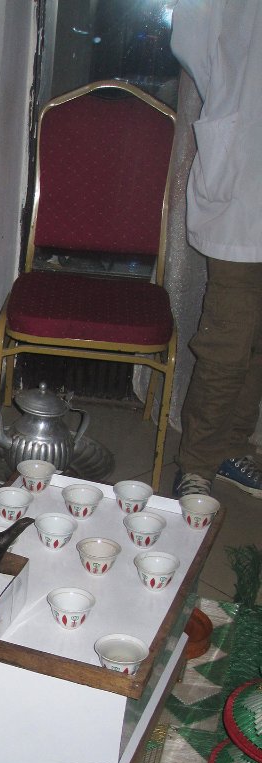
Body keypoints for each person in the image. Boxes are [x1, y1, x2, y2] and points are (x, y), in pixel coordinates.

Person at [171, 0, 262, 499]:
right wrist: (226, 95)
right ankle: (198, 463)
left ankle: (232, 448)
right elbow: (190, 31)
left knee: (257, 344)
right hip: (245, 175)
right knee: (228, 341)